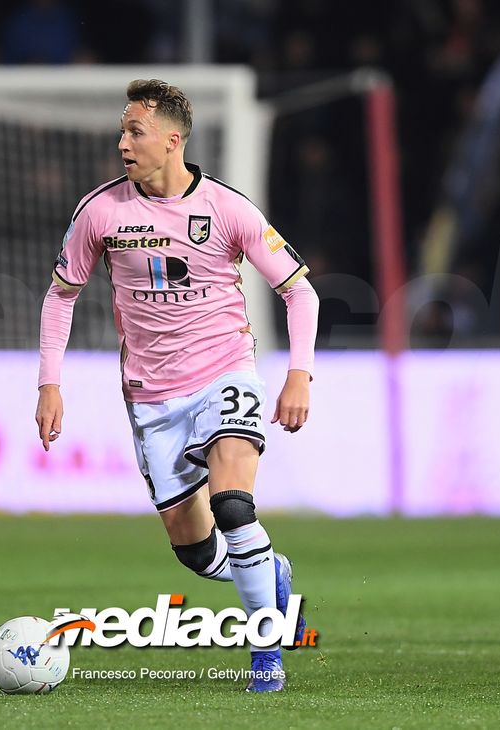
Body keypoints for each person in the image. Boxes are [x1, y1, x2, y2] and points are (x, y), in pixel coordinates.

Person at [35, 79, 319, 692]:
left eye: (134, 132)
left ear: (172, 140)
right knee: (194, 552)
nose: (122, 143)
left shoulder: (227, 208)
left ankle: (265, 659)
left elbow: (301, 291)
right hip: (151, 398)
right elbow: (61, 297)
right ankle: (270, 569)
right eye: (122, 131)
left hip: (224, 373)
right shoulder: (101, 211)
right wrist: (49, 385)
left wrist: (298, 373)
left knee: (234, 505)